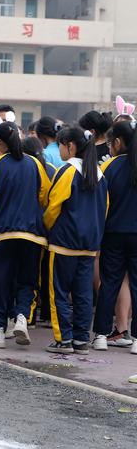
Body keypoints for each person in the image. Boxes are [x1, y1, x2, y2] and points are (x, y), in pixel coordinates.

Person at [0, 119, 51, 348]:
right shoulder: (34, 164)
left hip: (3, 233)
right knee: (27, 280)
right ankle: (21, 318)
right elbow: (44, 196)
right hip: (32, 234)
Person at [43, 127, 106, 355]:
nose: (59, 149)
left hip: (64, 243)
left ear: (70, 146)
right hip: (89, 245)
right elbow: (104, 209)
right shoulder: (99, 174)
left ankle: (63, 339)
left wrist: (49, 229)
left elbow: (53, 208)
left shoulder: (67, 171)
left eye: (61, 145)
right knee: (83, 294)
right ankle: (81, 339)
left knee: (58, 291)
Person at [93, 119, 137, 352]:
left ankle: (100, 335)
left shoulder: (110, 166)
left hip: (113, 233)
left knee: (109, 283)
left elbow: (101, 202)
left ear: (118, 142)